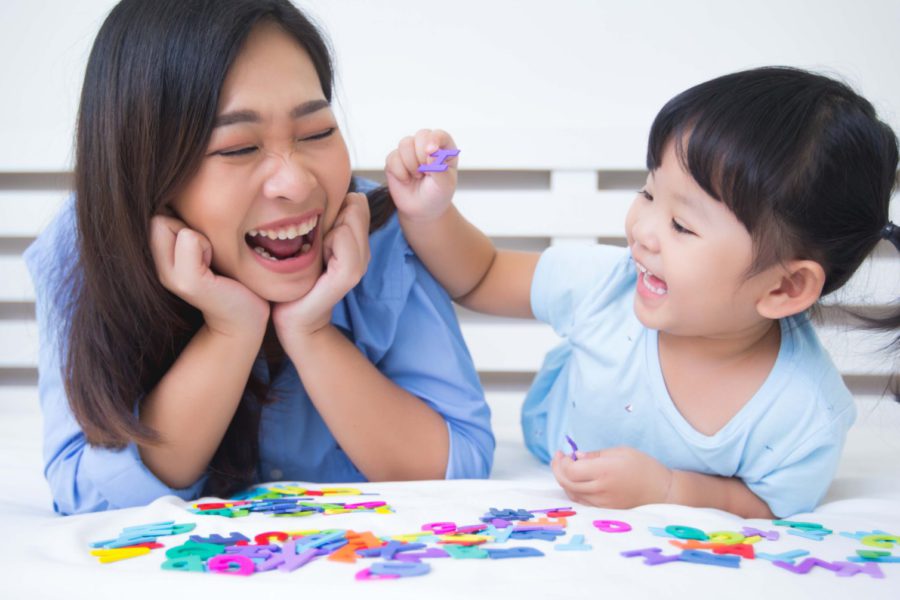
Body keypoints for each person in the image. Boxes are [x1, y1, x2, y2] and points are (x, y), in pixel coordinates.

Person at [24, 0, 493, 515]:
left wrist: (311, 333)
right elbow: (85, 495)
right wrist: (229, 331)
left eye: (316, 133)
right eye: (237, 148)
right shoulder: (87, 247)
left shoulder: (377, 233)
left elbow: (460, 462)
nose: (297, 183)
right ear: (147, 172)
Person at [387, 67, 899, 518]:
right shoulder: (606, 286)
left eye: (681, 224)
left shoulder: (803, 414)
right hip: (545, 450)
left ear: (786, 286)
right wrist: (430, 213)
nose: (642, 230)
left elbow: (767, 503)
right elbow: (482, 275)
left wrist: (669, 489)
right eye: (648, 192)